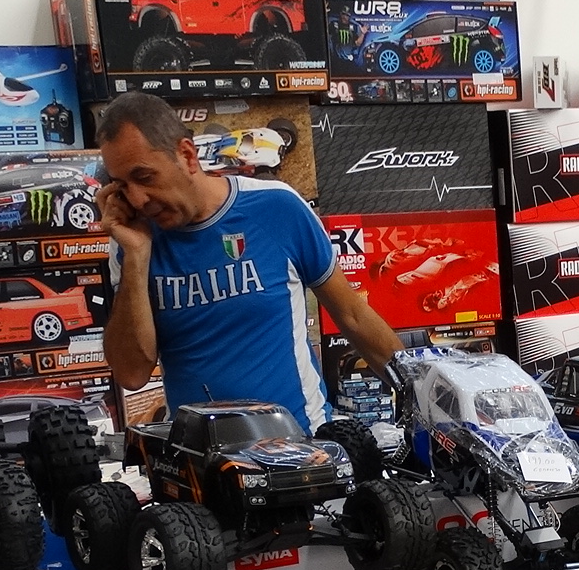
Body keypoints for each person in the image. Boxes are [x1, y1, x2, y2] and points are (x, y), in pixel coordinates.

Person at [94, 90, 400, 422]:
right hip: (198, 451)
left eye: (144, 177)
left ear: (187, 155)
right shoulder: (132, 241)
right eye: (122, 186)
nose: (138, 199)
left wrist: (421, 394)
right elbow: (131, 373)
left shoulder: (276, 206)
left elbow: (353, 316)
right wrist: (137, 254)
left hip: (300, 444)